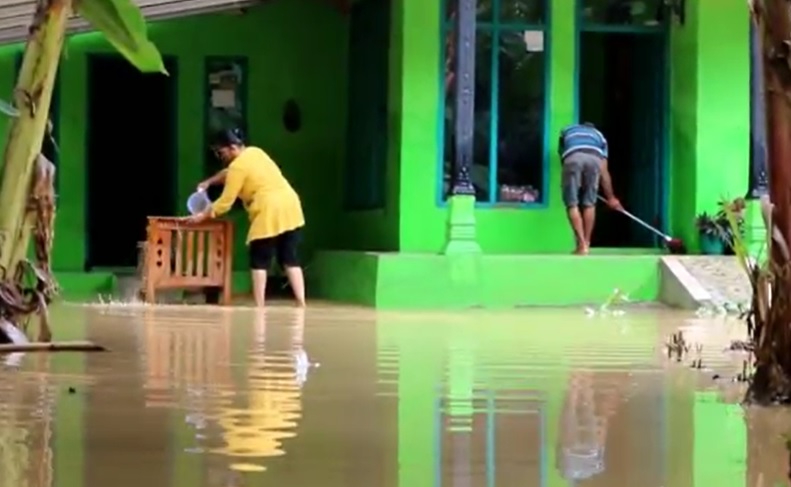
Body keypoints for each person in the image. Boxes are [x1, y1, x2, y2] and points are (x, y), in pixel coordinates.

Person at [187, 129, 306, 307]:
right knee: (289, 258)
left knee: (259, 259)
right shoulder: (256, 152)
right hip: (290, 206)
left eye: (221, 152)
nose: (220, 156)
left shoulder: (237, 167)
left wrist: (203, 216)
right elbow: (229, 173)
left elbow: (225, 202)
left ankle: (259, 306)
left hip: (268, 209)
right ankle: (301, 304)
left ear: (233, 147)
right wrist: (209, 182)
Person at [558, 122, 622, 255]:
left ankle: (581, 244)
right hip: (594, 160)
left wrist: (574, 179)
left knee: (572, 204)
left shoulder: (567, 130)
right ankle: (586, 243)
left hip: (572, 158)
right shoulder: (600, 136)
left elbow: (564, 157)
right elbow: (604, 171)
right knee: (589, 203)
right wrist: (611, 197)